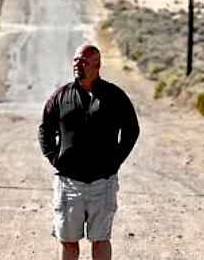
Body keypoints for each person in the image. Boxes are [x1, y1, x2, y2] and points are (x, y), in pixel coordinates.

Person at [38, 43, 140, 260]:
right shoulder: (61, 95)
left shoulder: (114, 96)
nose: (78, 65)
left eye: (83, 61)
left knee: (100, 239)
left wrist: (115, 161)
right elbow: (45, 127)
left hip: (102, 182)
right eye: (75, 61)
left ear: (97, 65)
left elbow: (131, 130)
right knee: (68, 241)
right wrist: (54, 158)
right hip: (69, 182)